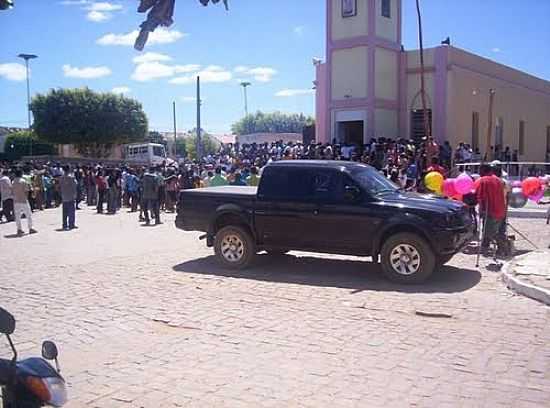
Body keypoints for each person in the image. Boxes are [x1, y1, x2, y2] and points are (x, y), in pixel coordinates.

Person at [475, 164, 506, 251]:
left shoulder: (483, 180)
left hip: (490, 210)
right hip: (501, 210)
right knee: (495, 230)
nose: (479, 173)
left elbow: (480, 196)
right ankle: (497, 247)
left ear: (483, 171)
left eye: (480, 171)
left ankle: (497, 246)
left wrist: (481, 210)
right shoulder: (498, 179)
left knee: (488, 232)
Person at [12, 168, 37, 235]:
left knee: (17, 216)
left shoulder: (13, 181)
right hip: (23, 200)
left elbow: (12, 191)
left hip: (16, 200)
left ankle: (19, 229)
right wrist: (26, 197)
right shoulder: (23, 181)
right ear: (21, 174)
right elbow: (26, 191)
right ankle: (30, 228)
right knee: (28, 214)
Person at [59, 165, 78, 230]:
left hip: (64, 196)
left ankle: (64, 224)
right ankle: (71, 224)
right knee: (71, 211)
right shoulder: (71, 178)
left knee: (64, 212)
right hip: (70, 196)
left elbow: (60, 186)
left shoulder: (61, 178)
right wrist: (75, 194)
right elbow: (75, 186)